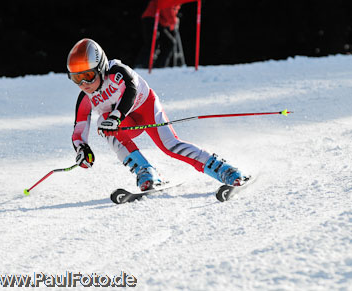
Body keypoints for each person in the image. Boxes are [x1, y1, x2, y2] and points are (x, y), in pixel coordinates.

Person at [68, 38, 246, 191]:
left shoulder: (117, 72)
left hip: (146, 109)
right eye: (76, 78)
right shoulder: (84, 98)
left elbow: (131, 89)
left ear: (101, 67)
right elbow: (79, 130)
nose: (84, 83)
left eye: (89, 75)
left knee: (170, 146)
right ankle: (146, 171)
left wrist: (117, 115)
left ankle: (224, 169)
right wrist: (82, 150)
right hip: (126, 122)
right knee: (104, 124)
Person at [134, 0, 181, 68]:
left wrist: (172, 23)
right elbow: (166, 10)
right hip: (151, 19)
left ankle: (160, 66)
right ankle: (141, 64)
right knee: (152, 42)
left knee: (169, 42)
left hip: (159, 22)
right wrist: (173, 22)